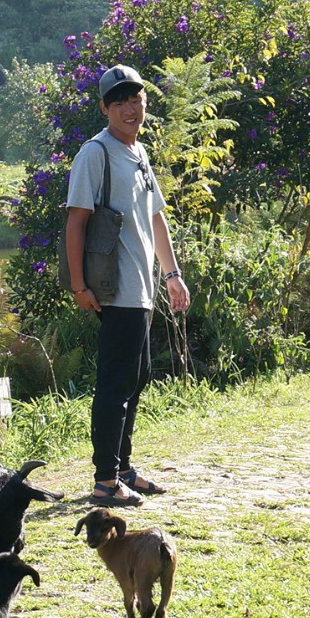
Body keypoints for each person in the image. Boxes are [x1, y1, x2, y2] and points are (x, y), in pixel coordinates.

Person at [63, 63, 192, 508]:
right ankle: (104, 481)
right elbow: (76, 220)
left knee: (138, 378)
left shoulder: (139, 155)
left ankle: (123, 469)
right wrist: (79, 285)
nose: (130, 108)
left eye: (136, 99)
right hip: (113, 288)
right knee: (116, 383)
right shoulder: (94, 153)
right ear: (105, 108)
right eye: (120, 102)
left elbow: (156, 219)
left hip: (142, 287)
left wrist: (172, 276)